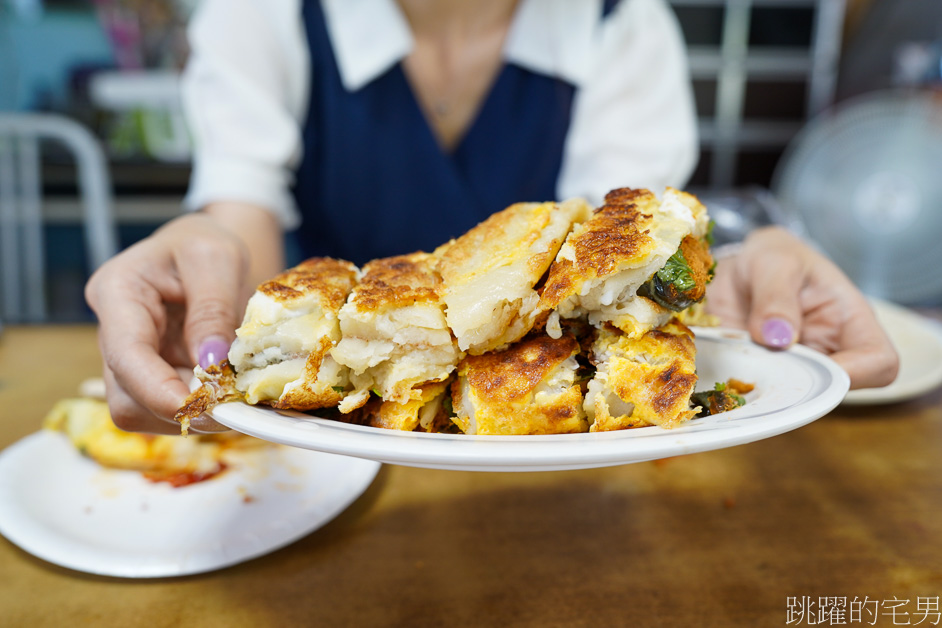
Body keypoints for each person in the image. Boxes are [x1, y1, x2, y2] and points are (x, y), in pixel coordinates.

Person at [85, 0, 899, 435]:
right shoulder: (263, 13)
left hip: (571, 476)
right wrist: (205, 260)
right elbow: (244, 233)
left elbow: (626, 259)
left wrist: (720, 273)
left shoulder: (620, 24)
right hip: (329, 451)